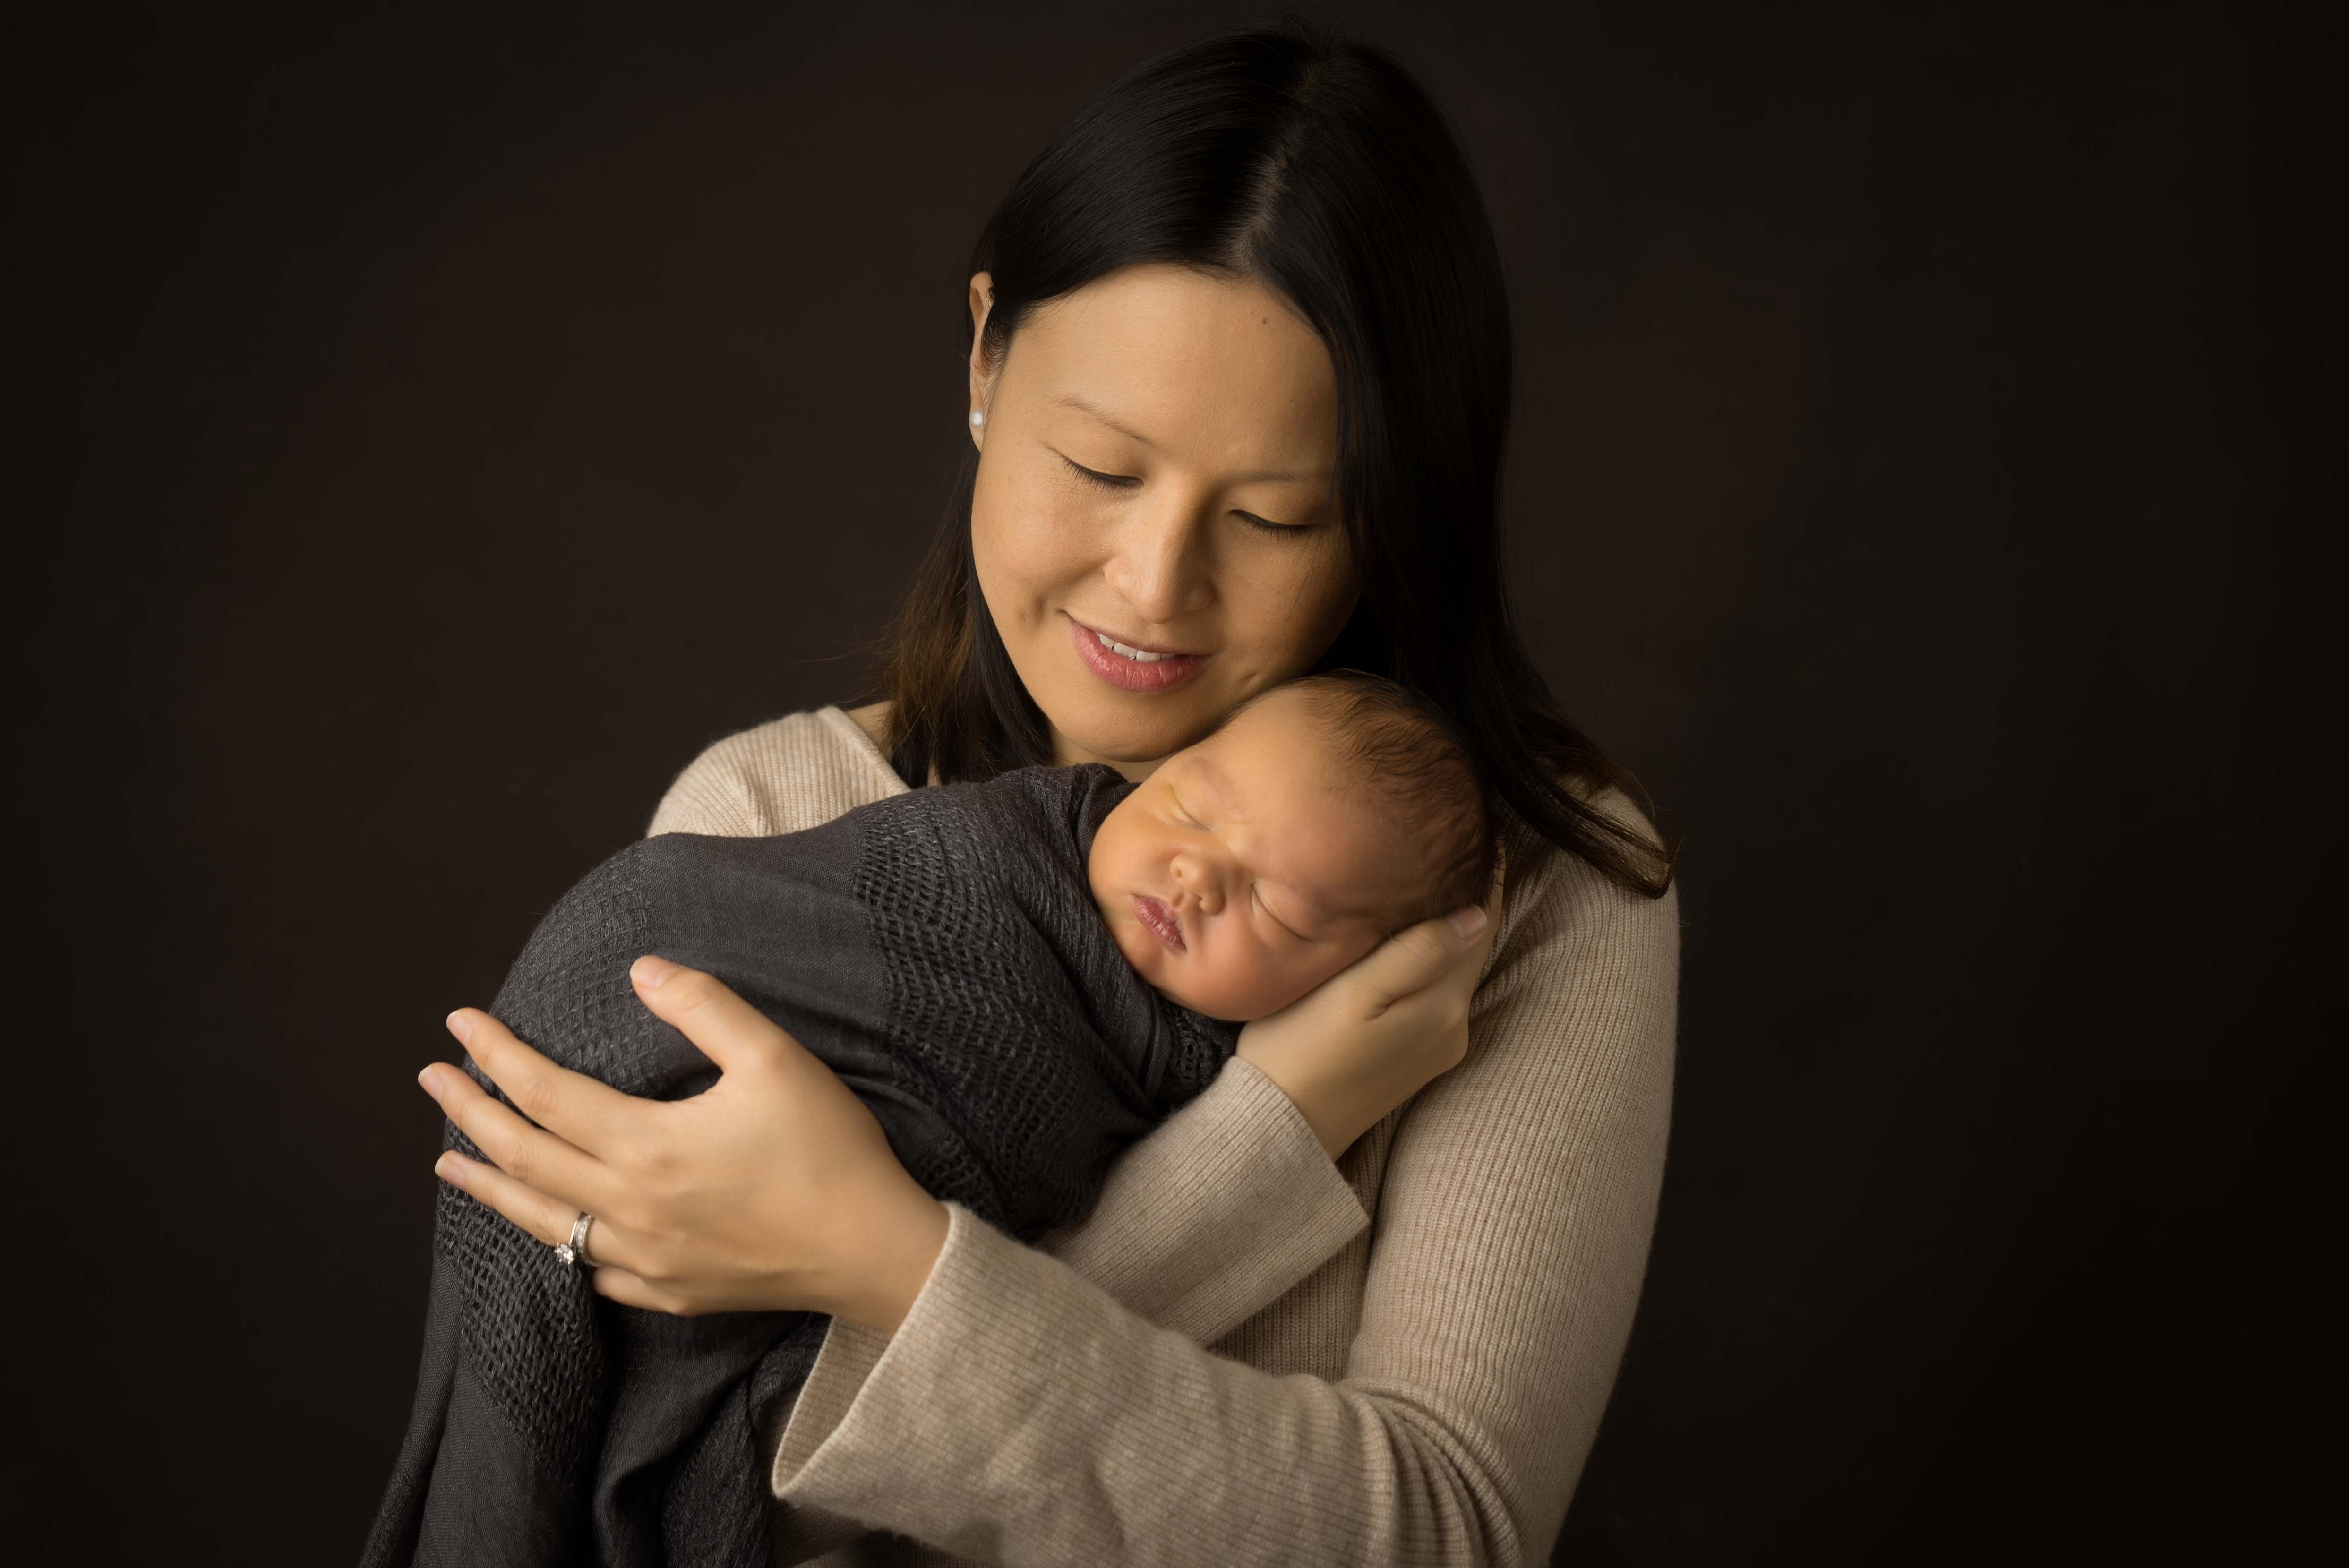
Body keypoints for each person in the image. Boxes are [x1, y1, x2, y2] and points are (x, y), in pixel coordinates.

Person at [412, 17, 1680, 1566]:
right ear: (983, 355)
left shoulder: (1530, 888)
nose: (1155, 588)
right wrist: (1272, 1137)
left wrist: (885, 1268)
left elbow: (1443, 1532)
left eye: (1275, 517)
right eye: (1098, 467)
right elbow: (728, 1515)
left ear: (1389, 512)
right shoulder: (770, 818)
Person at [369, 675, 1497, 1566]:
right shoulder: (832, 811)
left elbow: (1447, 1541)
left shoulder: (1479, 961)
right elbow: (760, 1495)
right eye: (1191, 803)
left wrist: (891, 1262)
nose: (1196, 872)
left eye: (1279, 907)